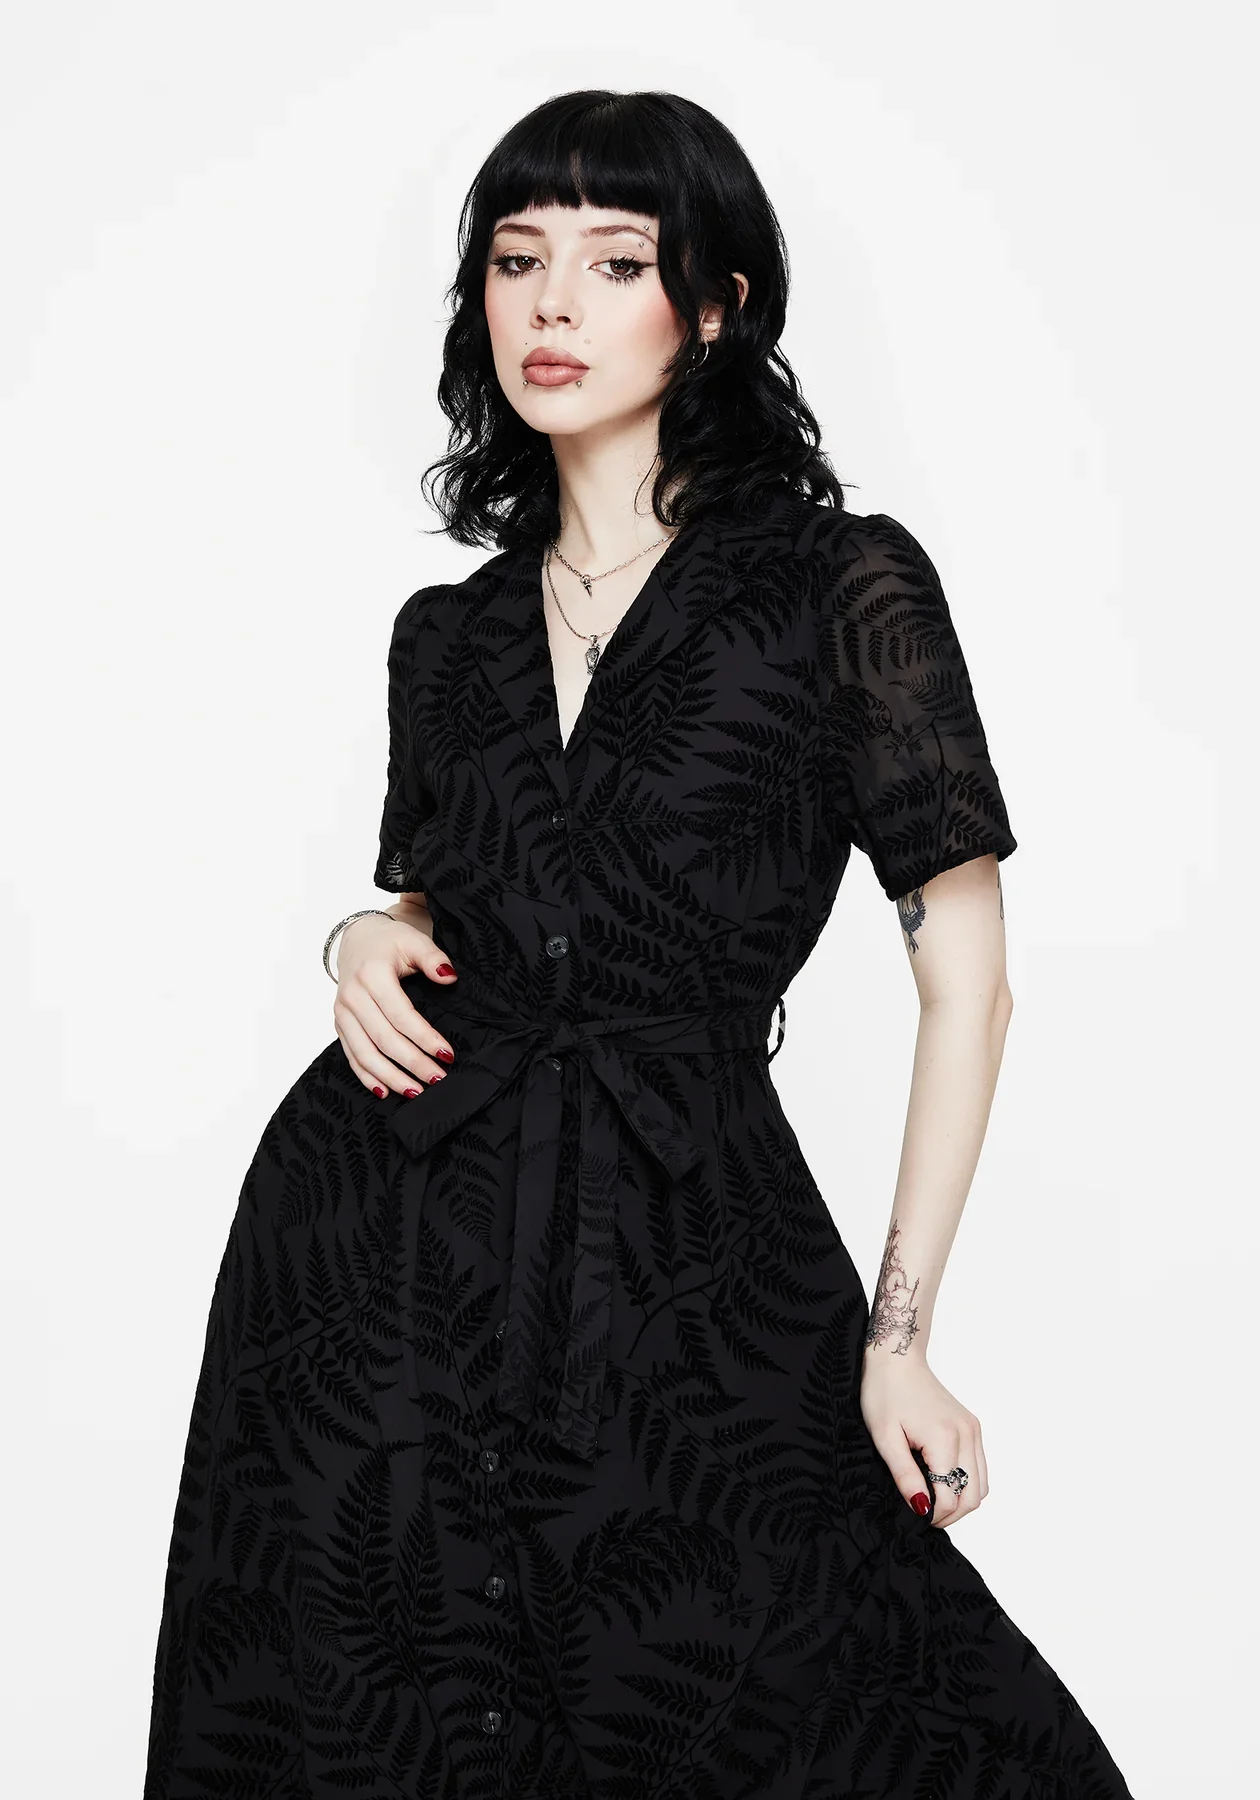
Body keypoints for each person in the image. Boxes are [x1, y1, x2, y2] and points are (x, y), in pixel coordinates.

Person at [144, 89, 1134, 1800]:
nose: (551, 303)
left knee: (835, 1698)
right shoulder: (447, 636)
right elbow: (456, 918)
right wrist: (362, 938)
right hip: (380, 1252)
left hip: (685, 1243)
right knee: (380, 1718)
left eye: (615, 263)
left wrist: (899, 1338)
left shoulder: (840, 589)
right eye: (516, 259)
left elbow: (965, 984)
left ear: (716, 307)